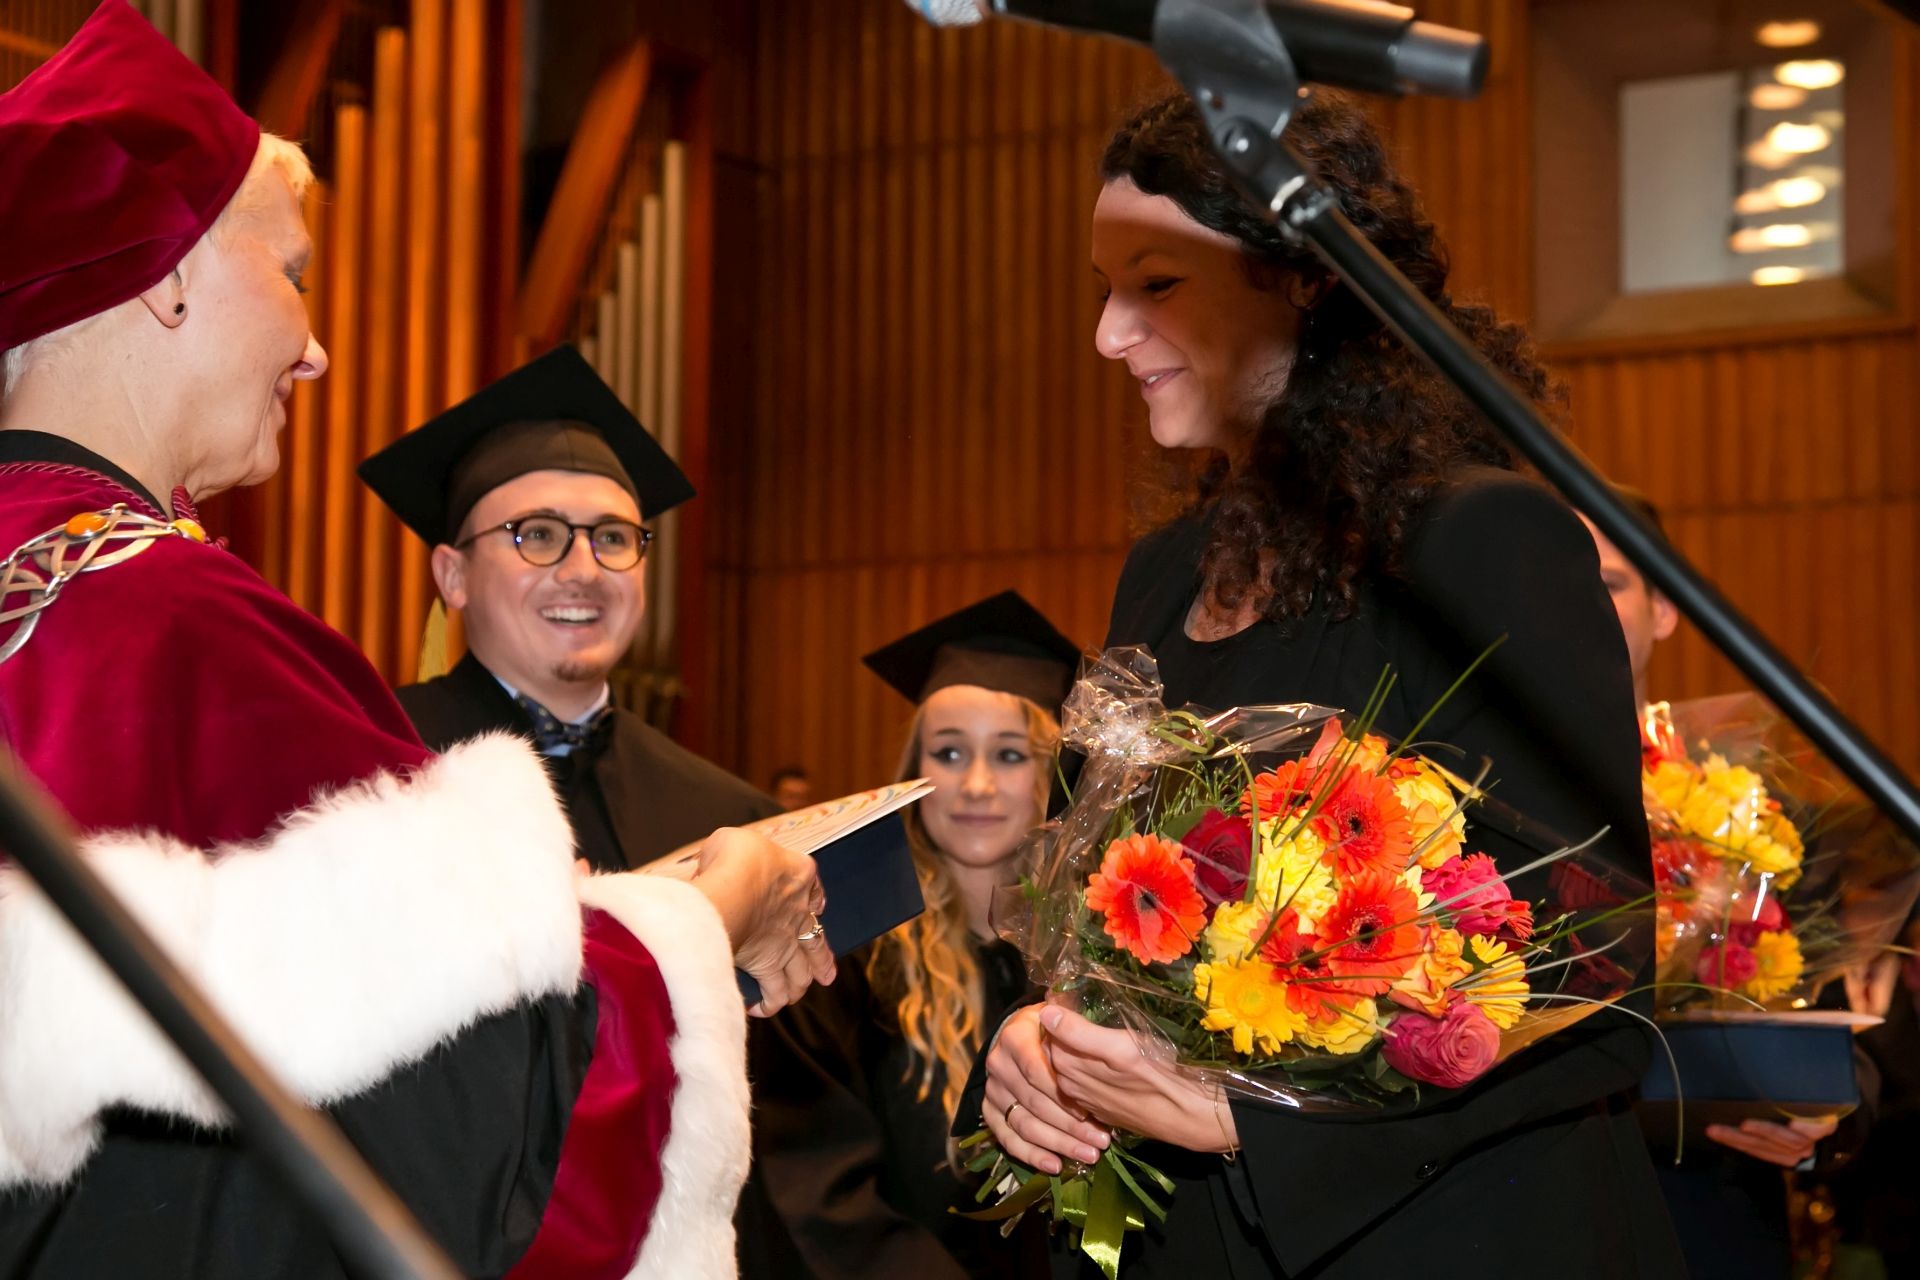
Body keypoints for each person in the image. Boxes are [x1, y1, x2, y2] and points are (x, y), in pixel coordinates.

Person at [0, 5, 829, 1276]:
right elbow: (472, 1109)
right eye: (292, 273)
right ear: (167, 275)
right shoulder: (182, 630)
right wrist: (710, 914)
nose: (316, 349)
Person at [971, 89, 1683, 1277]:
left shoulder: (1480, 540)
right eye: (1104, 288)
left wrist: (1254, 1123)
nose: (1107, 334)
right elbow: (1088, 910)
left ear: (1305, 279)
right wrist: (1031, 1044)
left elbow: (1593, 975)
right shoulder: (1164, 571)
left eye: (1155, 284)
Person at [738, 592, 1072, 1279]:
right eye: (948, 752)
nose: (975, 784)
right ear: (914, 772)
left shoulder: (1094, 958)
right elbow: (819, 1194)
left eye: (1010, 754)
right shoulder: (841, 955)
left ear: (1053, 773)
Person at [361, 345, 779, 871]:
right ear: (454, 576)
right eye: (538, 534)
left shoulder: (726, 817)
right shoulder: (370, 769)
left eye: (613, 537)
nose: (584, 570)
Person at [1582, 494, 1859, 1278]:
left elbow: (1843, 1032)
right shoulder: (1457, 804)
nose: (1581, 604)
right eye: (1556, 581)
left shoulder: (1759, 812)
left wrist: (1822, 1120)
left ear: (1666, 608)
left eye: (1608, 582)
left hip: (1716, 1220)